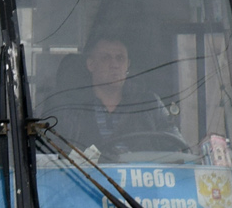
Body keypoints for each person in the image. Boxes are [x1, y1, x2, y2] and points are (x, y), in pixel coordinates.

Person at [51, 35, 179, 155]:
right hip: (87, 178)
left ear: (127, 65)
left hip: (142, 178)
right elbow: (52, 158)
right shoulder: (69, 109)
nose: (115, 65)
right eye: (106, 58)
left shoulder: (149, 104)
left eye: (120, 58)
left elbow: (177, 148)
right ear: (91, 64)